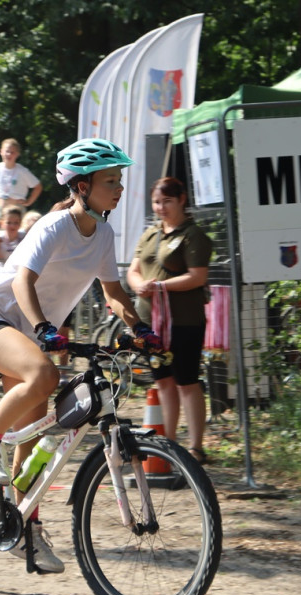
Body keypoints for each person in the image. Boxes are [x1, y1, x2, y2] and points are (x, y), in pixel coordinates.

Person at [0, 138, 161, 573]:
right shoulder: (53, 227)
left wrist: (139, 328)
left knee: (34, 441)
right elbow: (20, 283)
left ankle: (22, 526)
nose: (119, 188)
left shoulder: (103, 233)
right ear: (82, 187)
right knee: (45, 376)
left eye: (120, 180)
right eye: (111, 180)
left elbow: (114, 293)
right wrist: (43, 329)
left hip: (29, 333)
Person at [127, 177, 213, 464]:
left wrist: (161, 287)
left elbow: (197, 277)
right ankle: (169, 444)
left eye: (167, 201)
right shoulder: (150, 234)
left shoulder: (193, 235)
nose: (161, 207)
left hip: (184, 321)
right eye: (156, 201)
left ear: (181, 200)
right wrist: (139, 285)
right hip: (150, 323)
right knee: (163, 382)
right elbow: (134, 270)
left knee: (186, 382)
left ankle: (196, 447)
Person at [0, 138, 42, 213]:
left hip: (17, 209)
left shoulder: (23, 171)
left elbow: (37, 186)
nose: (9, 154)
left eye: (12, 152)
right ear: (1, 152)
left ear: (18, 154)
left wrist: (29, 202)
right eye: (7, 151)